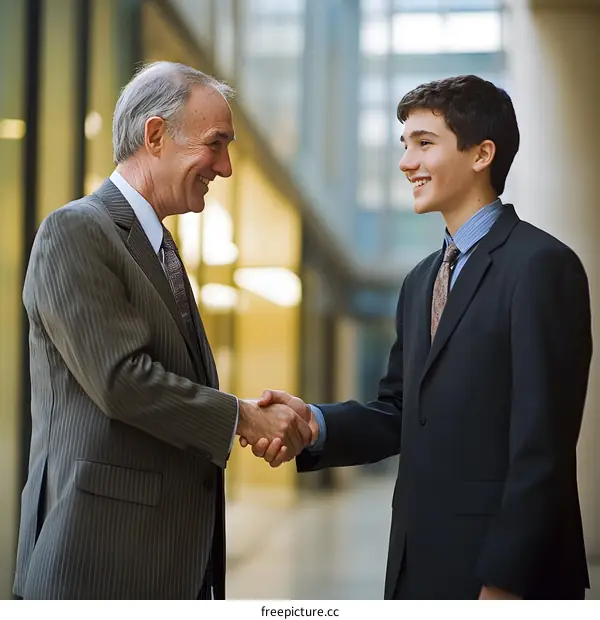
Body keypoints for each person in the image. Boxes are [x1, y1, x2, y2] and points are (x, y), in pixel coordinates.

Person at [248, 75, 593, 600]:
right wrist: (312, 424)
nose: (406, 162)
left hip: (500, 577)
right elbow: (399, 411)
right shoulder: (420, 281)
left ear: (482, 154)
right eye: (404, 145)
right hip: (417, 568)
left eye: (424, 143)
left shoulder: (543, 267)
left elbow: (542, 447)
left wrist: (505, 583)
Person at [14, 61, 312, 600]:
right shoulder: (75, 231)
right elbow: (121, 379)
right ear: (155, 135)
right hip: (97, 566)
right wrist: (241, 415)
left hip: (166, 565)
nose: (224, 167)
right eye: (215, 144)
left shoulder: (161, 250)